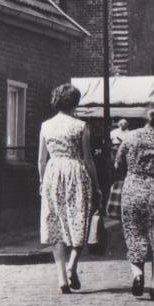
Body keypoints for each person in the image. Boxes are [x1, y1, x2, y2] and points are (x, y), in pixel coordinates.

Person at [38, 83, 101, 293]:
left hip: (53, 172)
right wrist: (96, 185)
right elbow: (88, 159)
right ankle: (72, 264)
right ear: (75, 103)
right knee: (79, 220)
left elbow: (41, 159)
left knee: (55, 223)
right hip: (76, 172)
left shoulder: (46, 126)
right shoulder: (81, 126)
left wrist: (42, 181)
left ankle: (61, 279)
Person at [115, 101, 154, 300]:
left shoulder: (131, 137)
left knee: (134, 233)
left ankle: (137, 274)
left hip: (133, 189)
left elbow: (118, 163)